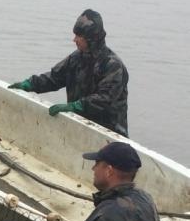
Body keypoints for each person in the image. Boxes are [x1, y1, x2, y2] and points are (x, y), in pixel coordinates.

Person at [8, 9, 129, 137]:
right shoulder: (76, 58)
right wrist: (29, 84)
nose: (74, 39)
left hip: (109, 134)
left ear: (91, 38)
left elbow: (105, 99)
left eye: (79, 36)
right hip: (80, 127)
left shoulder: (112, 65)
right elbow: (54, 78)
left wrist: (76, 106)